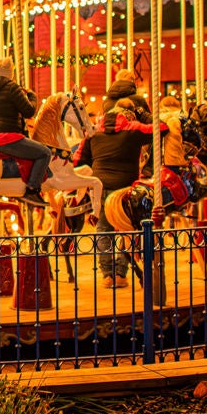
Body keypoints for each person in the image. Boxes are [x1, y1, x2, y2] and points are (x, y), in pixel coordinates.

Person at [74, 109, 151, 287]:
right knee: (126, 230)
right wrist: (143, 114)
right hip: (125, 189)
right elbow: (160, 128)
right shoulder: (132, 131)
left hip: (101, 186)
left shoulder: (93, 134)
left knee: (103, 228)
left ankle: (108, 275)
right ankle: (120, 273)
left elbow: (79, 160)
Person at [0, 56, 50, 206]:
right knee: (44, 153)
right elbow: (29, 111)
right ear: (9, 72)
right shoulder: (11, 87)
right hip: (7, 136)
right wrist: (32, 96)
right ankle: (32, 189)